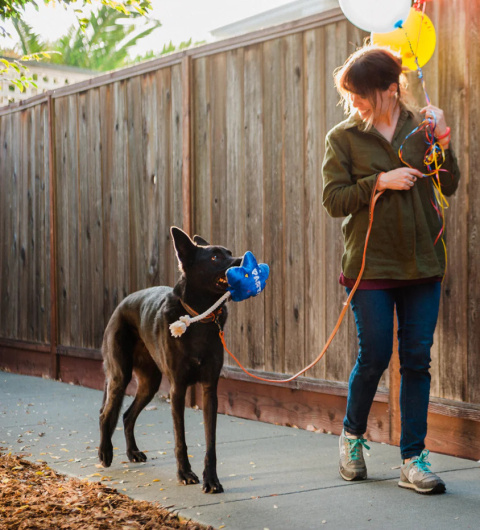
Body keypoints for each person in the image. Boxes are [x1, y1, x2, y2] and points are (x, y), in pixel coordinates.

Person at [321, 45, 460, 495]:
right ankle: (352, 435)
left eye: (360, 94)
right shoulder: (343, 138)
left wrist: (443, 144)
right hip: (370, 265)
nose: (354, 103)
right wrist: (379, 181)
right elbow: (333, 201)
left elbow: (449, 184)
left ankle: (413, 459)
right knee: (376, 355)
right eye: (351, 96)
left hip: (422, 263)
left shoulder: (422, 127)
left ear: (389, 89)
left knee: (417, 359)